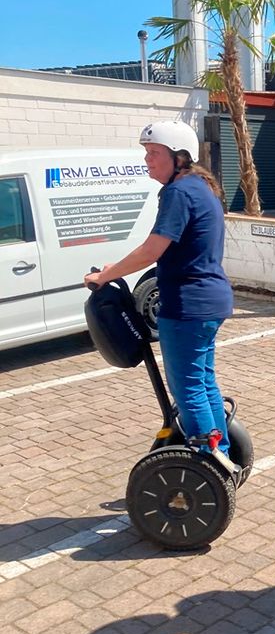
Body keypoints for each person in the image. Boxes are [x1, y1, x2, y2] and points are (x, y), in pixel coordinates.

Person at [84, 120, 234, 454]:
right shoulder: (198, 187)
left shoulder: (179, 192)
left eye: (154, 153)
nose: (147, 160)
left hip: (188, 306)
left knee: (188, 388)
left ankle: (208, 462)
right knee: (203, 382)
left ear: (179, 157)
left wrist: (106, 276)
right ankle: (219, 450)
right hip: (209, 301)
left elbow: (153, 249)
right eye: (146, 153)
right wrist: (116, 270)